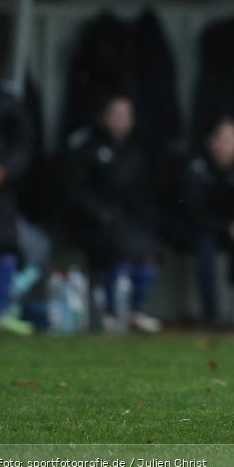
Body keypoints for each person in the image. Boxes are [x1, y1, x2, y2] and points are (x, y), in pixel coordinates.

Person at [62, 94, 162, 333]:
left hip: (128, 221)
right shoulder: (87, 146)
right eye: (116, 115)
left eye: (126, 116)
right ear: (103, 117)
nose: (121, 121)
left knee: (147, 251)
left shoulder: (138, 149)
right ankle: (110, 310)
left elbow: (144, 193)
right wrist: (99, 213)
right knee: (118, 249)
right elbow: (74, 189)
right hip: (95, 221)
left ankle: (134, 310)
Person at [186, 117, 234, 328]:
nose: (227, 146)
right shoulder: (198, 169)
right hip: (204, 230)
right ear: (211, 142)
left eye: (232, 140)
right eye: (222, 140)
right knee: (205, 249)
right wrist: (230, 228)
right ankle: (211, 315)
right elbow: (195, 215)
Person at [0, 30, 34, 334]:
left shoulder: (7, 98)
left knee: (3, 248)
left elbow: (24, 142)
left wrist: (7, 170)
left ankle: (0, 311)